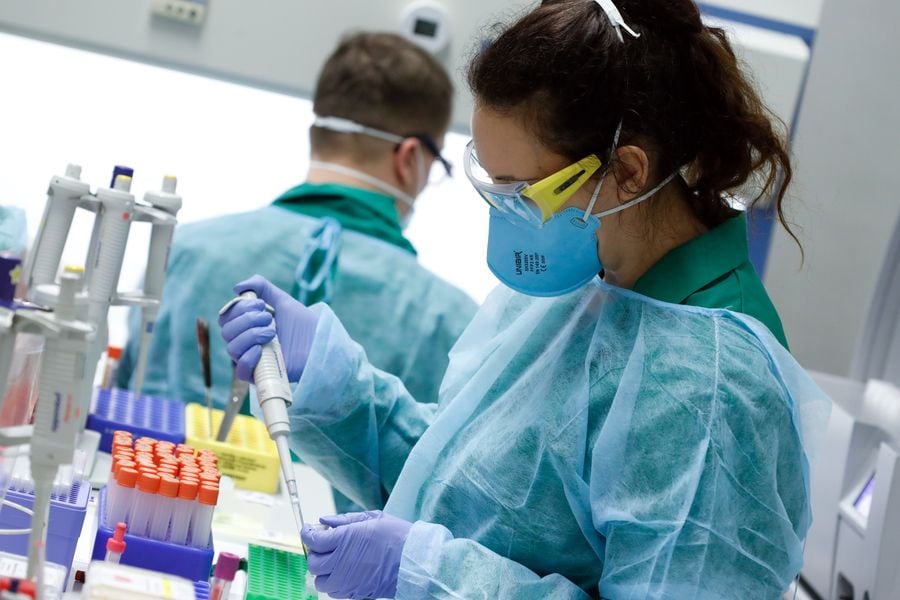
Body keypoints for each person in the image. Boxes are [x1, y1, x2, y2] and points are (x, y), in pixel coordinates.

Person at [220, 1, 830, 598]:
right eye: (494, 185)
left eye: (523, 192)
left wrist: (430, 577)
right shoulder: (581, 289)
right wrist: (328, 381)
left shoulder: (711, 390)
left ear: (628, 171)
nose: (507, 215)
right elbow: (460, 484)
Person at [117, 32, 477, 418]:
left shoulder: (183, 251)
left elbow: (123, 405)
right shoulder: (448, 320)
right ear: (410, 158)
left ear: (318, 133)